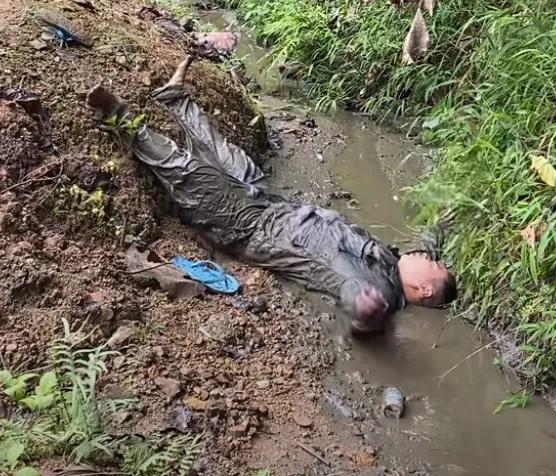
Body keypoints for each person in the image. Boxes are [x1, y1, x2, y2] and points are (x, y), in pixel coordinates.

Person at [88, 56, 456, 333]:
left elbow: (350, 293)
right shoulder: (391, 260)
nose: (429, 257)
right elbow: (426, 244)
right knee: (225, 153)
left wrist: (365, 314)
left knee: (190, 171)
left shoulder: (380, 291)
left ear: (422, 289)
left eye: (434, 265)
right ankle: (175, 97)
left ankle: (118, 118)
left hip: (247, 228)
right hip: (268, 205)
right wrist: (444, 223)